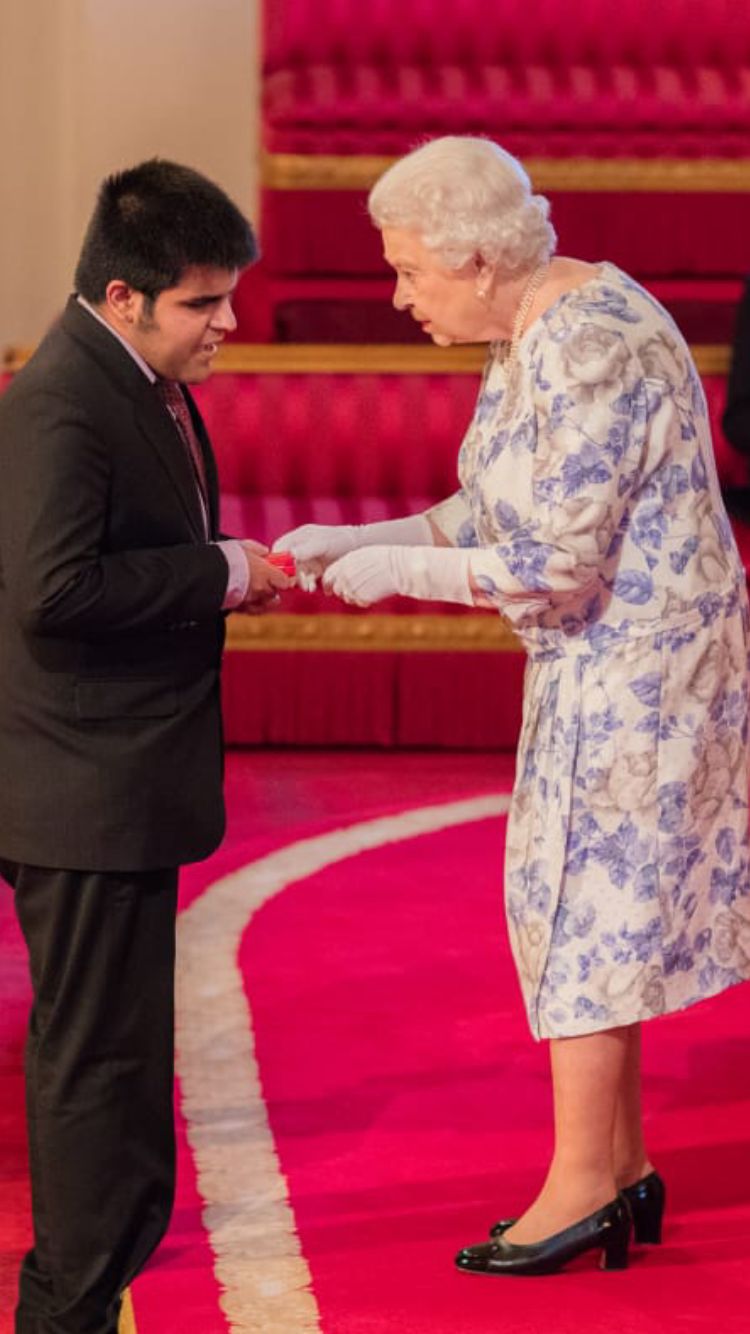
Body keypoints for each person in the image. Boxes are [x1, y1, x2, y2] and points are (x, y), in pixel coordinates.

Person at [274, 135, 750, 1276]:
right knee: (574, 898)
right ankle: (620, 1162)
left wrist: (401, 578)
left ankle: (585, 1180)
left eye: (411, 272)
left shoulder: (582, 341)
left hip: (638, 670)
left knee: (586, 908)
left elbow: (554, 564)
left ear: (479, 259)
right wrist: (369, 536)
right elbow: (490, 501)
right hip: (603, 663)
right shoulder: (534, 318)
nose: (398, 296)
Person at [0, 159, 290, 1332]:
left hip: (111, 774)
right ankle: (64, 1302)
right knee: (93, 1057)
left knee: (116, 1050)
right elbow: (54, 587)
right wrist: (222, 570)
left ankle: (98, 1267)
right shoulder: (65, 398)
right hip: (81, 784)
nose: (228, 322)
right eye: (203, 302)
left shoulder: (129, 371)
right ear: (124, 296)